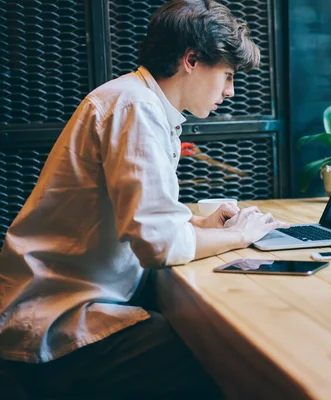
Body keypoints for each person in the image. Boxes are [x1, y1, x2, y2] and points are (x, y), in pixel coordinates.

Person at [0, 0, 288, 398]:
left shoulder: (138, 101)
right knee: (225, 360)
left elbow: (141, 222)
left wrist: (199, 226)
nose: (230, 90)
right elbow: (159, 246)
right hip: (54, 325)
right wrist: (241, 235)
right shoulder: (135, 107)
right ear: (191, 59)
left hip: (66, 305)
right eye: (227, 74)